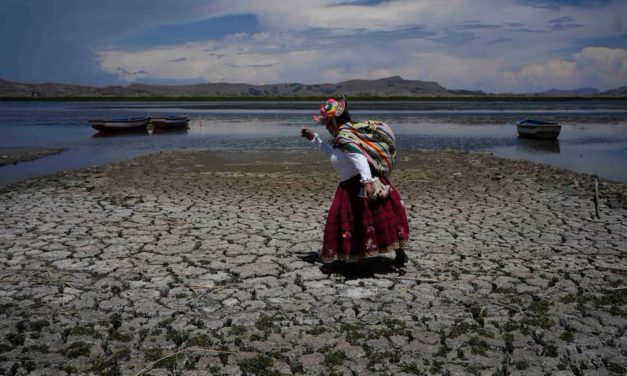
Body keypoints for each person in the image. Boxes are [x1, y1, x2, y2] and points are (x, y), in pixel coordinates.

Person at [301, 98, 410, 266]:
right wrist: (314, 139)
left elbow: (359, 158)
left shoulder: (345, 137)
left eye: (328, 123)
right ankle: (395, 253)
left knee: (360, 222)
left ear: (336, 121)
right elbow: (334, 154)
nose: (326, 127)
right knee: (378, 219)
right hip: (351, 184)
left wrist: (366, 181)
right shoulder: (343, 137)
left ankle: (358, 259)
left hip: (356, 186)